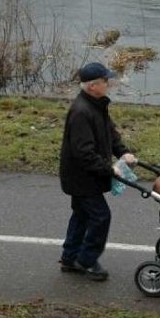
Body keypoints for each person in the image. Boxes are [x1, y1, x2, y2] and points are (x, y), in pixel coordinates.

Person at [58, 62, 137, 281]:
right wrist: (109, 169)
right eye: (105, 81)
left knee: (82, 215)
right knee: (100, 217)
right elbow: (83, 153)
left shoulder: (97, 105)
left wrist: (123, 153)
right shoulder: (81, 112)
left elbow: (110, 134)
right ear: (93, 86)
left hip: (87, 176)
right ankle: (86, 261)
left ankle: (70, 257)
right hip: (81, 178)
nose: (109, 83)